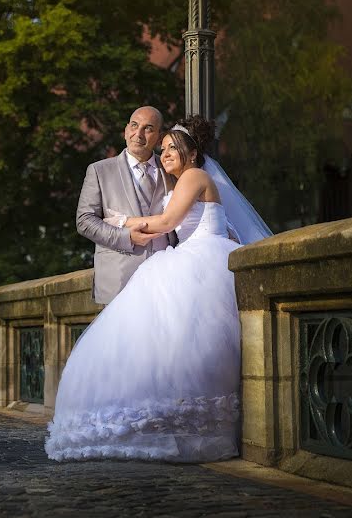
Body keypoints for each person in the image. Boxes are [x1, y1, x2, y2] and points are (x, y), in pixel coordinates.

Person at [46, 116, 272, 463]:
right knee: (166, 351)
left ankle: (187, 427)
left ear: (193, 153)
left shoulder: (194, 176)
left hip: (200, 261)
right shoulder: (177, 180)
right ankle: (171, 425)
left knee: (184, 350)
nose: (164, 153)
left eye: (172, 148)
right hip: (186, 257)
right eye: (163, 149)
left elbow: (167, 223)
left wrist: (120, 221)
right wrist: (122, 224)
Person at [76, 106, 177, 305]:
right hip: (119, 281)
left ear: (159, 138)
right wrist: (126, 237)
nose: (138, 134)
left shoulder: (171, 169)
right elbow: (84, 221)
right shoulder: (99, 170)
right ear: (125, 131)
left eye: (148, 128)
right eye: (134, 125)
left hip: (167, 281)